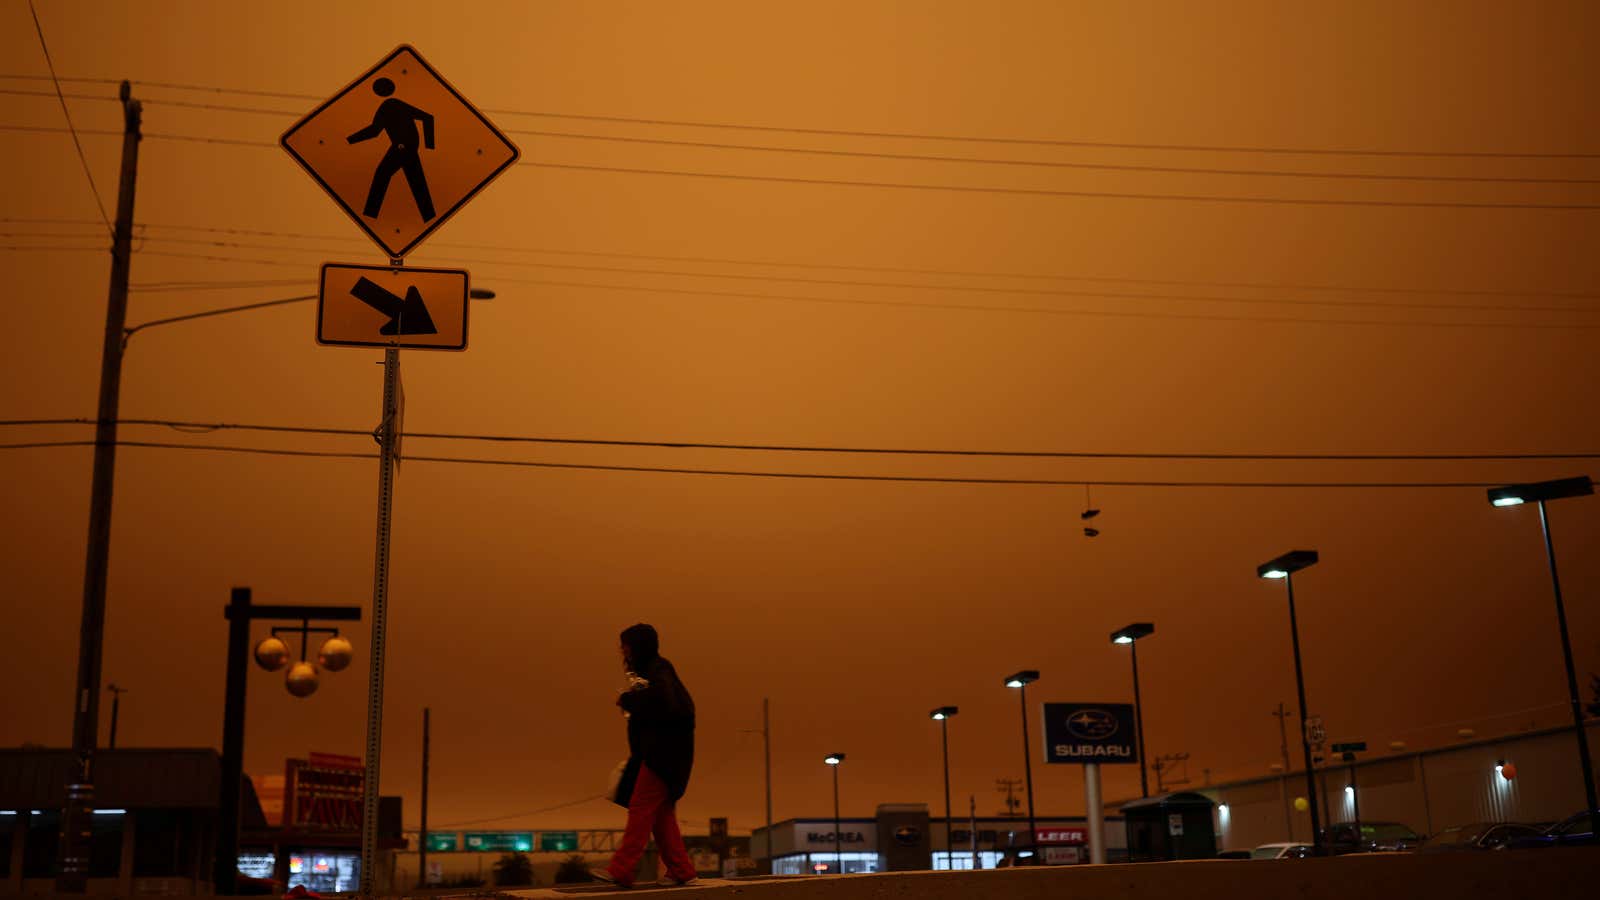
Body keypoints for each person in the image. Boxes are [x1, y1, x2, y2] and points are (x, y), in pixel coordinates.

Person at [592, 624, 698, 888]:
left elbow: (665, 703)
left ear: (639, 646)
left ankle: (621, 869)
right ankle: (682, 870)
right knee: (661, 816)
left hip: (663, 757)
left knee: (640, 808)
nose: (622, 651)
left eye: (626, 645)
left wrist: (629, 700)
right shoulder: (654, 671)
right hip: (667, 757)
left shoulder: (658, 670)